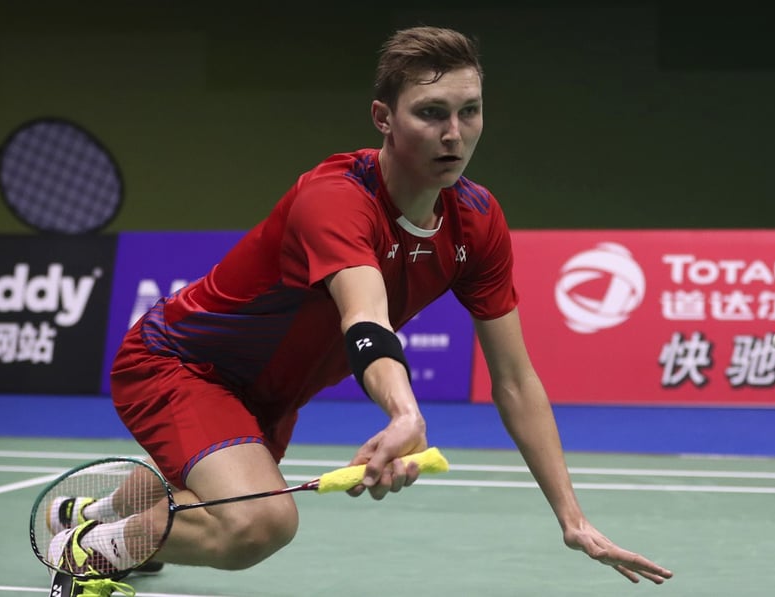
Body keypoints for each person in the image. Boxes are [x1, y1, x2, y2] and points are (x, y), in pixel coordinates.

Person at [47, 25, 674, 595]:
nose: (454, 134)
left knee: (212, 485)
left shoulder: (477, 220)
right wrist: (405, 413)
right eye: (431, 113)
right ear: (383, 117)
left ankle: (89, 513)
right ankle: (88, 549)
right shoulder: (336, 198)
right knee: (259, 522)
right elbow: (365, 317)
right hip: (180, 362)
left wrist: (572, 519)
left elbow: (514, 379)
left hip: (269, 395)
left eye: (470, 111)